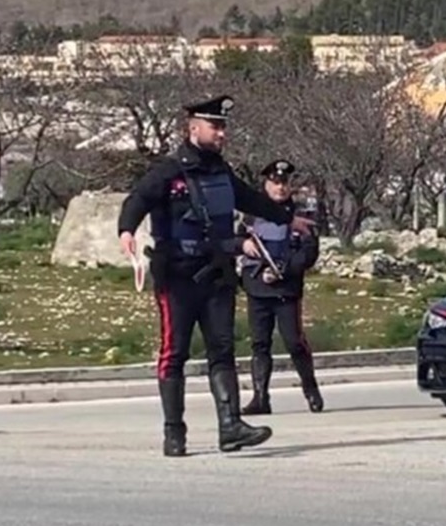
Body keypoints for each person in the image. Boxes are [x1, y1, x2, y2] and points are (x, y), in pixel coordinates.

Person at [116, 95, 315, 458]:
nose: (222, 133)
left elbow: (253, 201)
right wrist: (126, 231)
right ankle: (174, 433)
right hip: (177, 276)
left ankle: (231, 426)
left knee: (222, 351)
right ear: (194, 128)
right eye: (215, 126)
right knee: (173, 353)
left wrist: (288, 219)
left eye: (223, 126)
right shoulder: (170, 170)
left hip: (217, 275)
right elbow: (138, 200)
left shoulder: (222, 172)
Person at [239, 158, 324, 415]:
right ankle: (260, 397)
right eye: (275, 183)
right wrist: (244, 246)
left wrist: (283, 271)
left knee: (294, 342)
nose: (280, 188)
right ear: (266, 184)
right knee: (259, 344)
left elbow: (308, 252)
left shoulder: (301, 215)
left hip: (286, 290)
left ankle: (311, 390)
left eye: (284, 183)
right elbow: (236, 240)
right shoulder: (250, 215)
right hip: (257, 289)